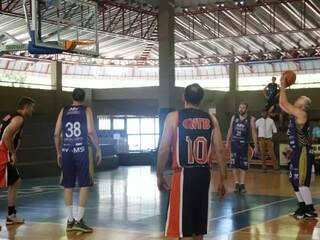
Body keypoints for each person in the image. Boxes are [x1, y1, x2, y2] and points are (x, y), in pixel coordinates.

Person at [157, 83, 226, 240]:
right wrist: (223, 179)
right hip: (203, 174)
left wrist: (159, 175)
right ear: (201, 100)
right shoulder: (211, 119)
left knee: (184, 228)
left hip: (183, 175)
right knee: (198, 228)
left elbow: (163, 149)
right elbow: (220, 150)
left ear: (183, 97)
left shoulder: (173, 117)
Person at [54, 88, 102, 232]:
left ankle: (69, 221)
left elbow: (56, 134)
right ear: (84, 98)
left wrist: (58, 152)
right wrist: (98, 148)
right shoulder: (86, 110)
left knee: (68, 185)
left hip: (66, 149)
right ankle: (79, 220)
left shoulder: (64, 110)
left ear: (72, 97)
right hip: (81, 149)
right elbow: (91, 131)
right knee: (84, 184)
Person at [279, 74, 317, 219]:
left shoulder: (301, 113)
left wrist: (283, 84)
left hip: (304, 152)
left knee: (301, 181)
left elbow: (284, 102)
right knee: (293, 181)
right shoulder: (294, 115)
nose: (296, 100)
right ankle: (302, 208)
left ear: (302, 106)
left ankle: (310, 210)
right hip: (296, 151)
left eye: (299, 100)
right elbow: (282, 104)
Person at [0, 97, 35, 227]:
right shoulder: (19, 118)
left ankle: (11, 215)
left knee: (15, 181)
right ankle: (11, 215)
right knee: (15, 181)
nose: (33, 110)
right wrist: (13, 153)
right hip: (3, 153)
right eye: (32, 107)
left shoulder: (11, 116)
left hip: (3, 152)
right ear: (25, 107)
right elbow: (6, 136)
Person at [226, 102, 258, 194]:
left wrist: (256, 145)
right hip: (234, 143)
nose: (241, 109)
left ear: (247, 109)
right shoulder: (234, 117)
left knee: (243, 165)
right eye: (240, 107)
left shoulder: (251, 119)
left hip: (244, 144)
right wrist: (227, 141)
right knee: (234, 164)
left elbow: (254, 133)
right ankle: (236, 183)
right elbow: (230, 129)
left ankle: (242, 184)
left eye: (243, 108)